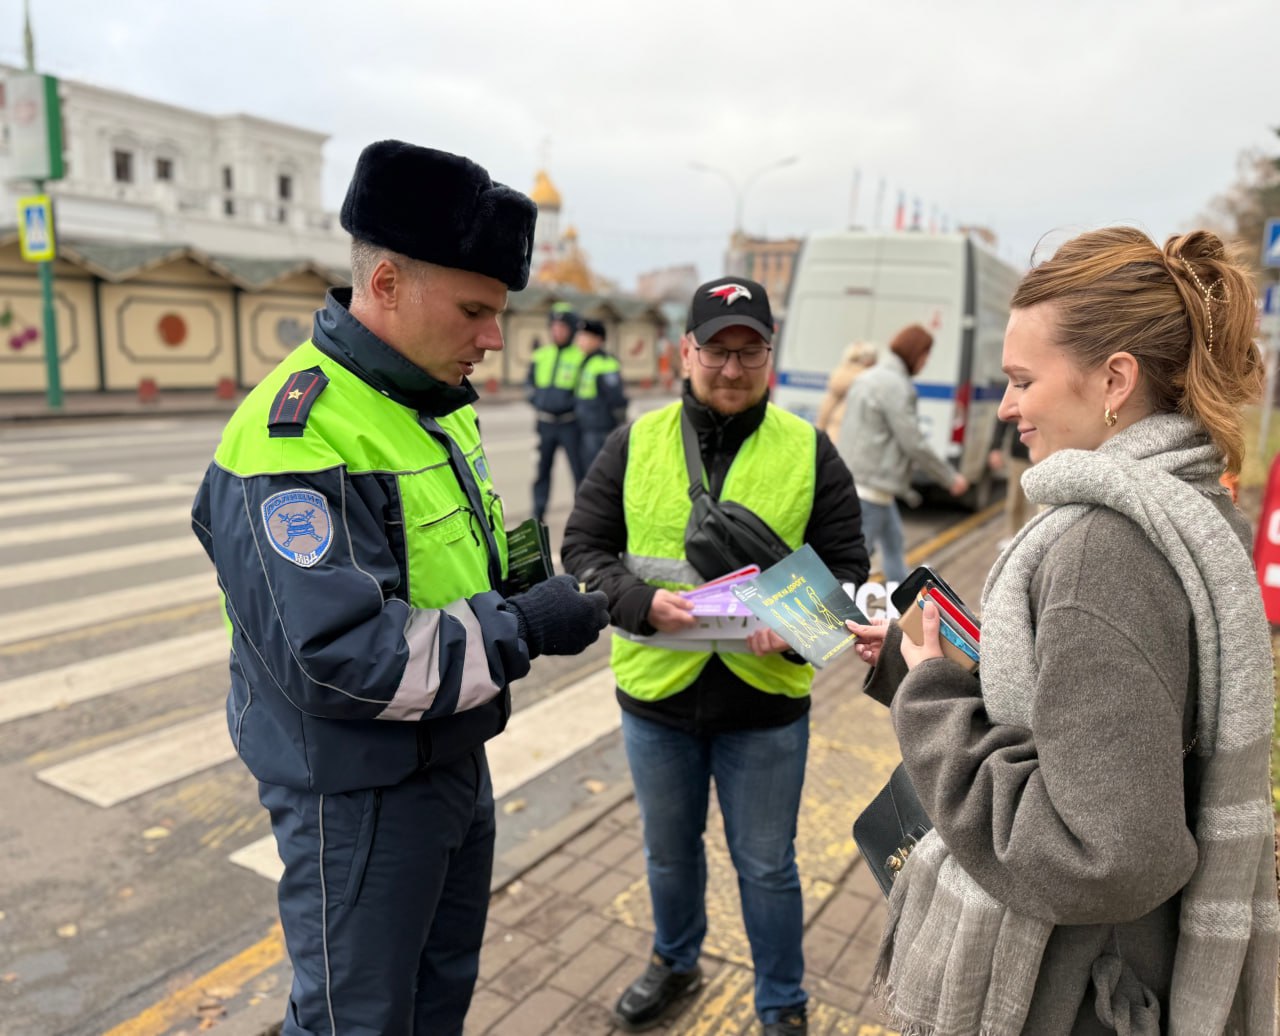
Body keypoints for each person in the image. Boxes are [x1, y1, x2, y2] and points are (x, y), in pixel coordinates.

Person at [190, 140, 610, 1036]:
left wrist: (578, 585)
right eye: (474, 310)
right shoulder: (297, 437)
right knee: (360, 1021)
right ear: (385, 283)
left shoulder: (426, 406)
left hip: (451, 762)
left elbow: (473, 565)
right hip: (361, 796)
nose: (495, 338)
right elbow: (341, 662)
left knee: (436, 999)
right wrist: (524, 628)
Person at [848, 227, 1278, 1035]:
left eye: (1021, 380)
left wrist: (934, 700)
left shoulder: (1100, 551)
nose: (1006, 405)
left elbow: (1107, 853)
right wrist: (922, 667)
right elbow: (1092, 725)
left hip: (1068, 989)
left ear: (1115, 379)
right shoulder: (1186, 504)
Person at [562, 275, 869, 1036]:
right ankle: (675, 960)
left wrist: (798, 620)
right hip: (656, 699)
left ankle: (781, 1003)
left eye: (750, 350)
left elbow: (849, 568)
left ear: (770, 354)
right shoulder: (633, 441)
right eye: (717, 350)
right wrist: (636, 602)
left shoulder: (809, 448)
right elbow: (583, 547)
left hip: (763, 705)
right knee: (668, 857)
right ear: (685, 352)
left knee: (767, 866)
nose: (732, 369)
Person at [836, 325, 968, 586]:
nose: (925, 363)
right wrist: (949, 477)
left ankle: (905, 607)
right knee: (854, 565)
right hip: (871, 488)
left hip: (861, 481)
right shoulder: (897, 386)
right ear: (915, 353)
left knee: (894, 546)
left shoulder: (868, 377)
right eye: (925, 355)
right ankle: (835, 619)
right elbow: (913, 441)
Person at [527, 302, 588, 520]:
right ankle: (538, 515)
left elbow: (584, 391)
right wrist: (536, 400)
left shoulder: (580, 357)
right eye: (554, 327)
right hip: (545, 424)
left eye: (562, 327)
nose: (557, 331)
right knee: (542, 472)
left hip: (570, 424)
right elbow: (530, 383)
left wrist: (571, 405)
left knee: (579, 472)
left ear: (571, 330)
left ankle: (584, 516)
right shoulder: (541, 355)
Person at [574, 317, 628, 472]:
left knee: (598, 472)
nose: (579, 340)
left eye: (585, 336)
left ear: (598, 339)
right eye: (579, 336)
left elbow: (616, 399)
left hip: (600, 430)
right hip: (586, 427)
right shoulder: (586, 360)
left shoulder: (606, 363)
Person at [814, 341, 877, 439]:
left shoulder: (838, 376)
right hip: (855, 439)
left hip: (833, 435)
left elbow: (825, 412)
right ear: (870, 361)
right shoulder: (871, 380)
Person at [987, 415, 1032, 546]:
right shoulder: (1017, 396)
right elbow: (1002, 419)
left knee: (1044, 503)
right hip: (1020, 455)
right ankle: (1014, 537)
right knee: (1015, 499)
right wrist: (996, 448)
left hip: (1047, 453)